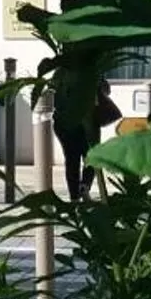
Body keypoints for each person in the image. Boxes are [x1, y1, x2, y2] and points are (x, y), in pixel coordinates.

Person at [53, 57, 121, 202]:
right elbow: (106, 90)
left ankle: (75, 195)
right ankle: (84, 186)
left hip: (67, 122)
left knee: (72, 159)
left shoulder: (63, 72)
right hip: (86, 121)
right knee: (91, 157)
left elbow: (55, 95)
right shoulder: (92, 71)